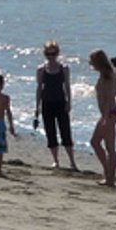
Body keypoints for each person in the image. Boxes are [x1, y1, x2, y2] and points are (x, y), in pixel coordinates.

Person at [34, 41, 75, 169]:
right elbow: (39, 88)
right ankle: (56, 160)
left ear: (57, 53)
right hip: (47, 103)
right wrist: (37, 106)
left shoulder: (64, 69)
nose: (51, 56)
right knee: (50, 132)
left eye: (53, 53)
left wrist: (69, 102)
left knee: (66, 132)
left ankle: (72, 161)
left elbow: (67, 86)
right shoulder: (41, 69)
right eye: (48, 53)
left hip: (61, 102)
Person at [88, 49, 116, 187]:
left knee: (102, 144)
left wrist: (105, 117)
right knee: (102, 144)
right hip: (112, 113)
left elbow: (108, 98)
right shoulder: (111, 74)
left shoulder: (107, 77)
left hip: (109, 114)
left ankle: (109, 177)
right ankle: (108, 175)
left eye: (92, 61)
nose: (90, 64)